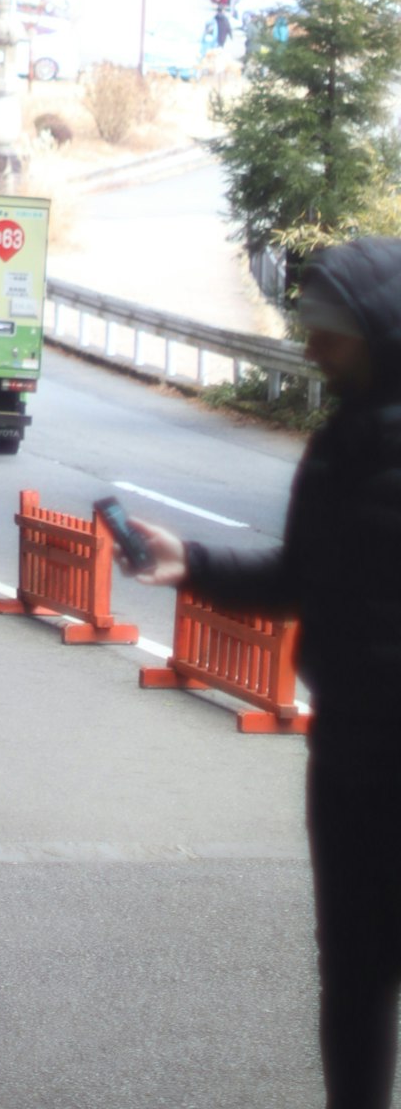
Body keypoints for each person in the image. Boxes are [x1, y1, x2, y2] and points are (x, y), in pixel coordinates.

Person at [128, 238, 401, 1109]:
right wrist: (192, 562)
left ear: (380, 330)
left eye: (331, 332)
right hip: (351, 752)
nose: (313, 348)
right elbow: (305, 580)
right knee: (355, 973)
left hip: (376, 756)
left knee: (360, 973)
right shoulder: (343, 437)